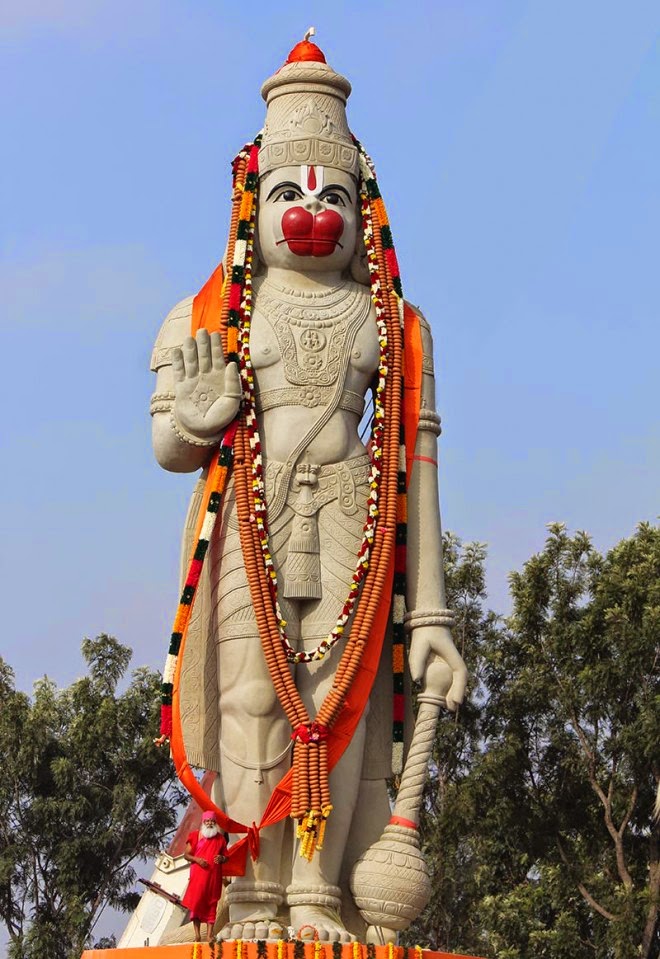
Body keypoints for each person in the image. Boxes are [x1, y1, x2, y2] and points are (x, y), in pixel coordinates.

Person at [151, 33, 467, 942]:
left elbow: (417, 466)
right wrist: (198, 420)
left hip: (354, 523)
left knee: (337, 710)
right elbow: (170, 445)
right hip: (251, 517)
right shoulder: (212, 314)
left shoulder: (397, 325)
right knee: (251, 701)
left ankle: (317, 893)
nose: (311, 214)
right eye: (288, 194)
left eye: (333, 197)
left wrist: (432, 613)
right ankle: (252, 895)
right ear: (253, 206)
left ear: (364, 213)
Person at [182, 811, 228, 942]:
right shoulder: (195, 835)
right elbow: (186, 855)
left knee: (212, 903)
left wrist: (222, 858)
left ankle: (209, 935)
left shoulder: (220, 839)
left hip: (214, 876)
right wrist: (197, 860)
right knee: (197, 903)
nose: (210, 823)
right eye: (207, 821)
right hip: (198, 876)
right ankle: (197, 935)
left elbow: (226, 857)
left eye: (212, 821)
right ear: (203, 822)